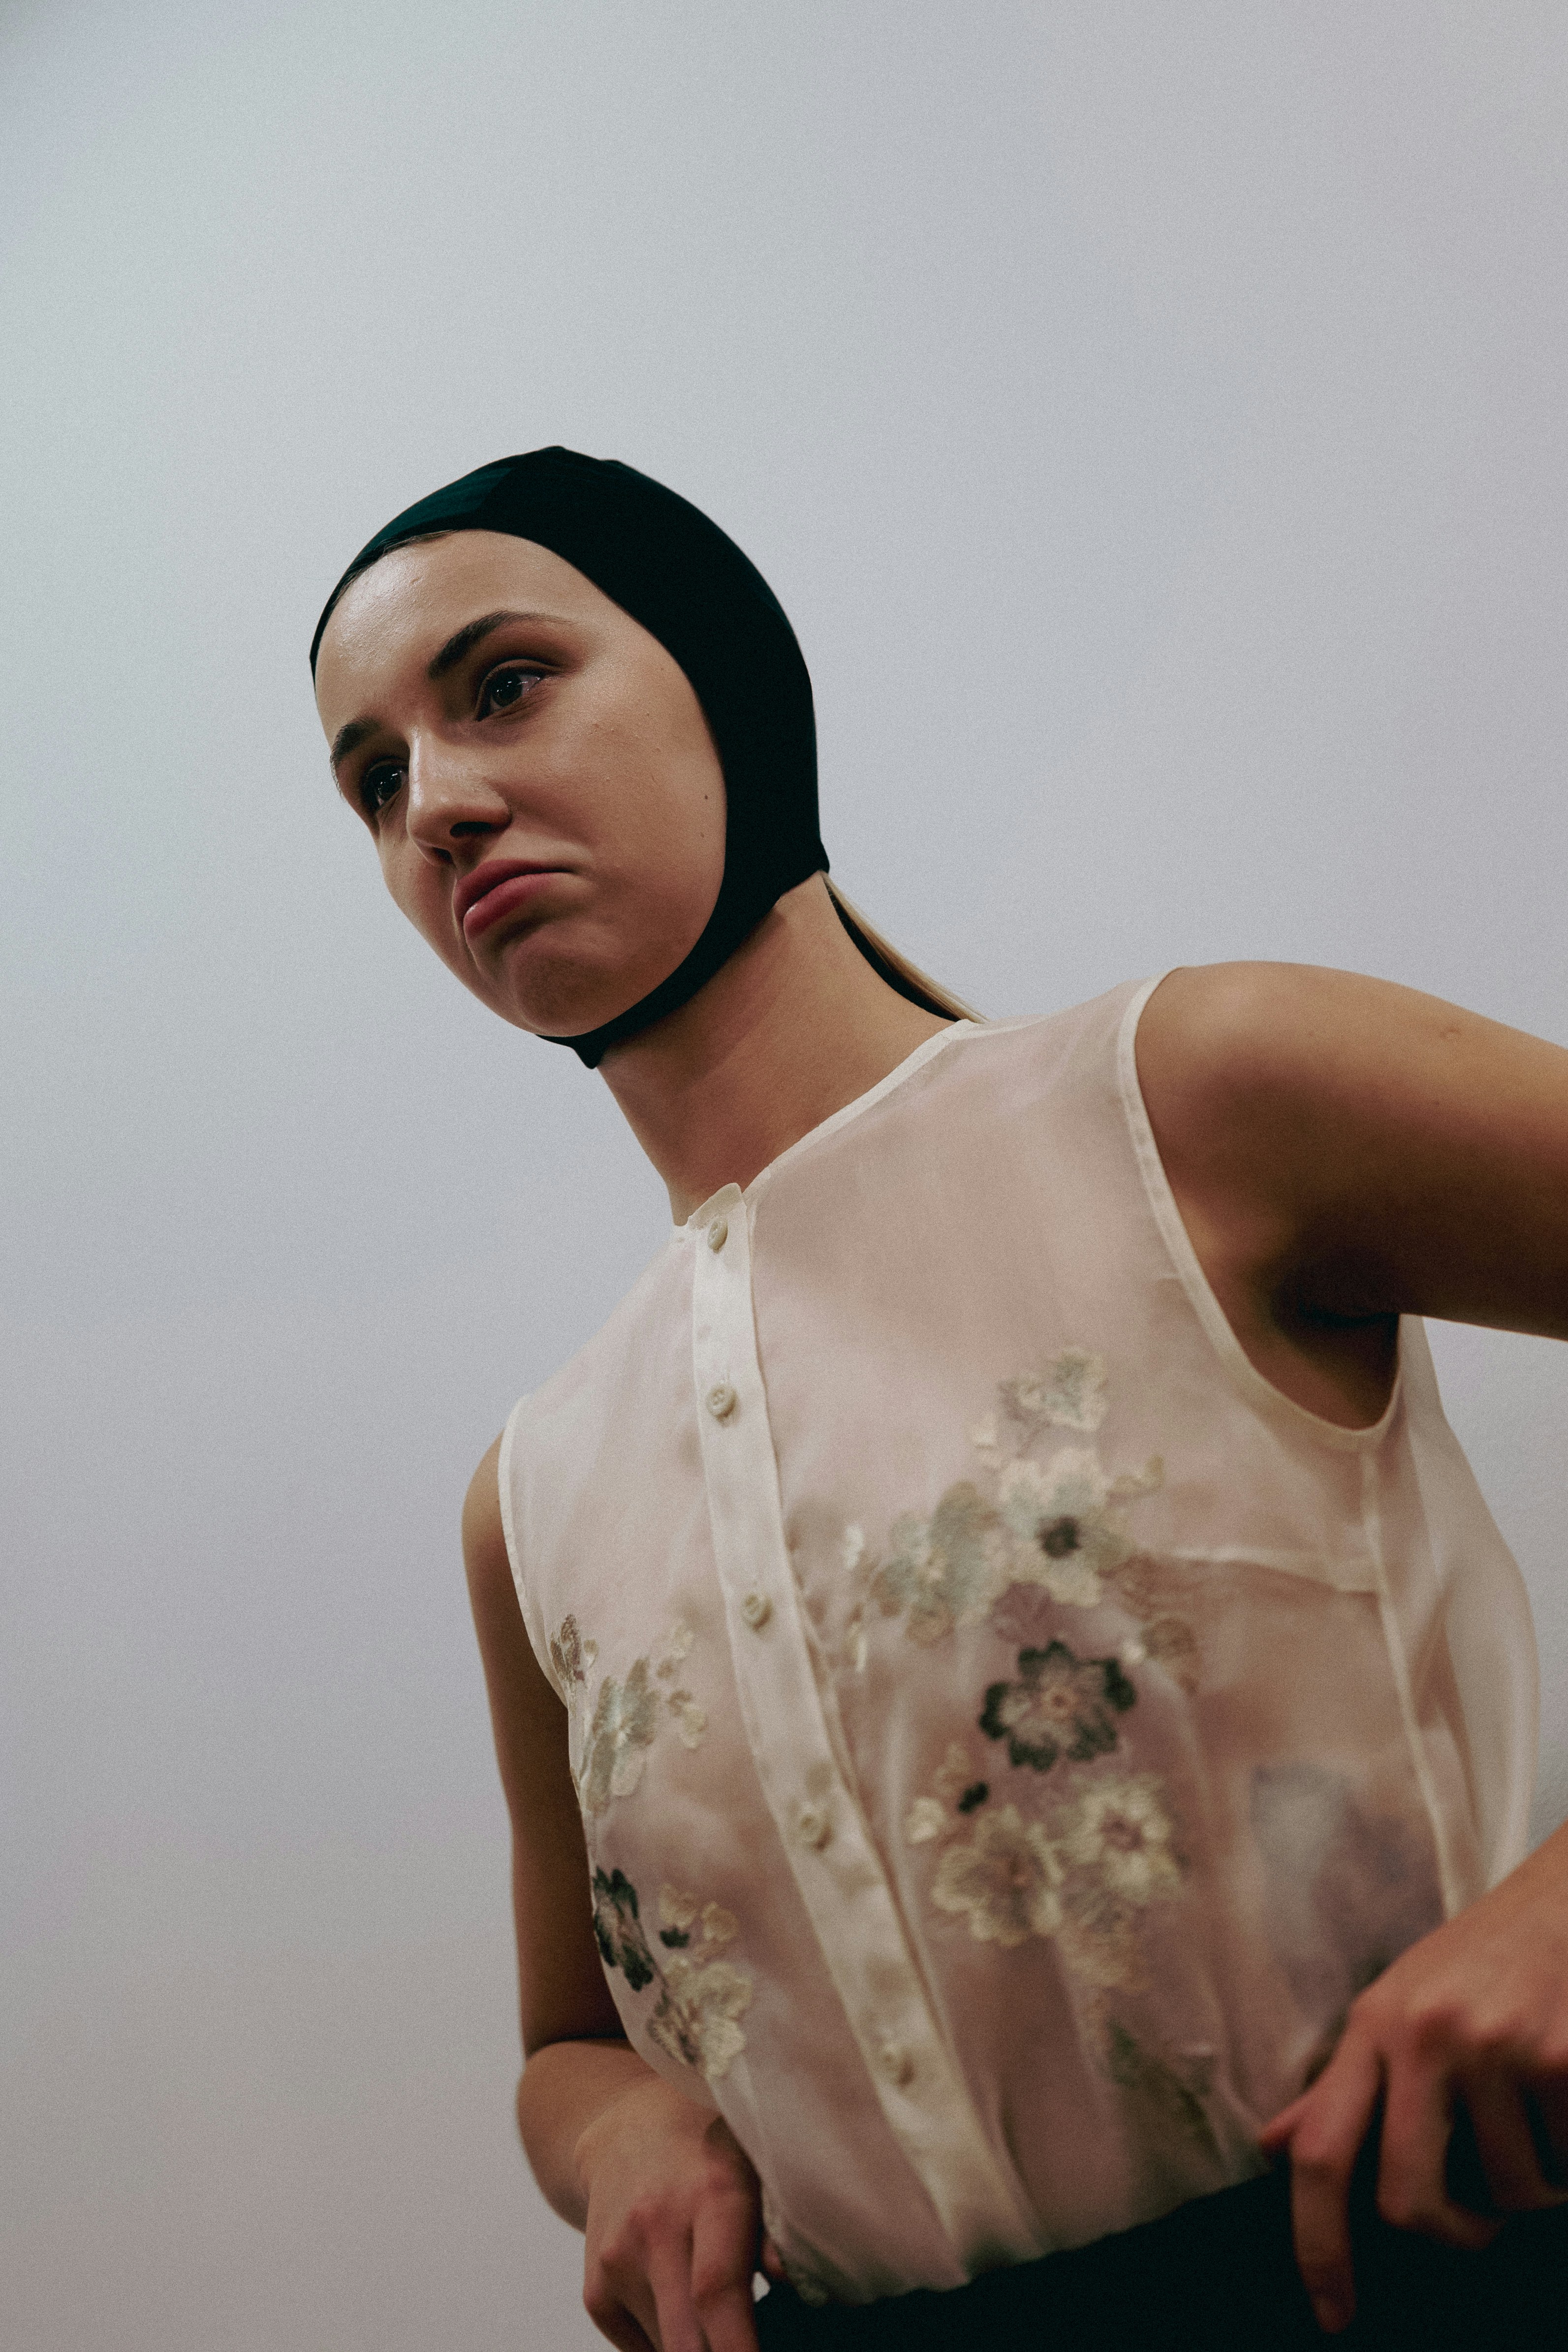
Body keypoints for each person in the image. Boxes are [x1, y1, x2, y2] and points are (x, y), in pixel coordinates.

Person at [310, 449, 1568, 2350]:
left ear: (728, 680)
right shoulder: (534, 1495)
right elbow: (568, 2037)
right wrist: (621, 2132)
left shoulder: (1195, 1104)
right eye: (373, 779)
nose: (439, 805)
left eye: (504, 684)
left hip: (1414, 2269)